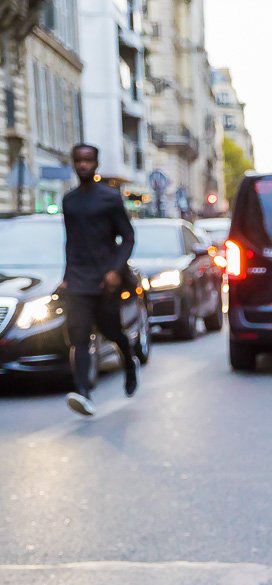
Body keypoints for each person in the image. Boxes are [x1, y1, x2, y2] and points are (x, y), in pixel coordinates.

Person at [59, 143, 139, 416]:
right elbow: (70, 243)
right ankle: (83, 393)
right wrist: (66, 277)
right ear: (73, 163)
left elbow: (128, 237)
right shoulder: (69, 201)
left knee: (111, 331)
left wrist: (116, 270)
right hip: (79, 280)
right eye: (78, 160)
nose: (83, 165)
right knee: (79, 337)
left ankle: (129, 362)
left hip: (106, 280)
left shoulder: (110, 198)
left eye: (88, 160)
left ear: (96, 163)